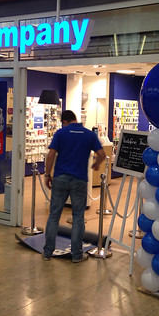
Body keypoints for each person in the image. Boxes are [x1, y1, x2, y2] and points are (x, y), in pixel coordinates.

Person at [43, 110, 106, 263]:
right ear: (75, 119)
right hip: (79, 180)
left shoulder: (60, 133)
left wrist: (47, 174)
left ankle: (47, 252)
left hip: (60, 178)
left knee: (54, 216)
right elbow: (102, 154)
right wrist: (96, 164)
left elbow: (51, 154)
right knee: (78, 217)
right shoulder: (89, 134)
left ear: (64, 121)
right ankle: (77, 255)